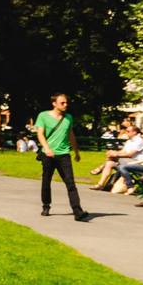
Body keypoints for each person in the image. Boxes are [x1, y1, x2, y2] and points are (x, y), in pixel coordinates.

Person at [34, 93, 90, 221]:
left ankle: (77, 211)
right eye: (62, 103)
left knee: (70, 183)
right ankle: (46, 206)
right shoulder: (43, 116)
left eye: (66, 102)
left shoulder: (68, 118)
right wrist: (47, 148)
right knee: (46, 181)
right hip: (48, 154)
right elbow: (40, 134)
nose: (65, 105)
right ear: (54, 103)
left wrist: (76, 152)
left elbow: (71, 134)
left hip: (64, 154)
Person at [89, 118, 142, 189]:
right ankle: (100, 184)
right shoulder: (129, 141)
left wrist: (115, 154)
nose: (126, 132)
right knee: (109, 163)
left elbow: (130, 154)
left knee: (113, 156)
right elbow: (122, 151)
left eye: (128, 131)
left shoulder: (139, 141)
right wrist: (113, 152)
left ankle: (100, 168)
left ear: (134, 132)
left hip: (136, 162)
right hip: (127, 160)